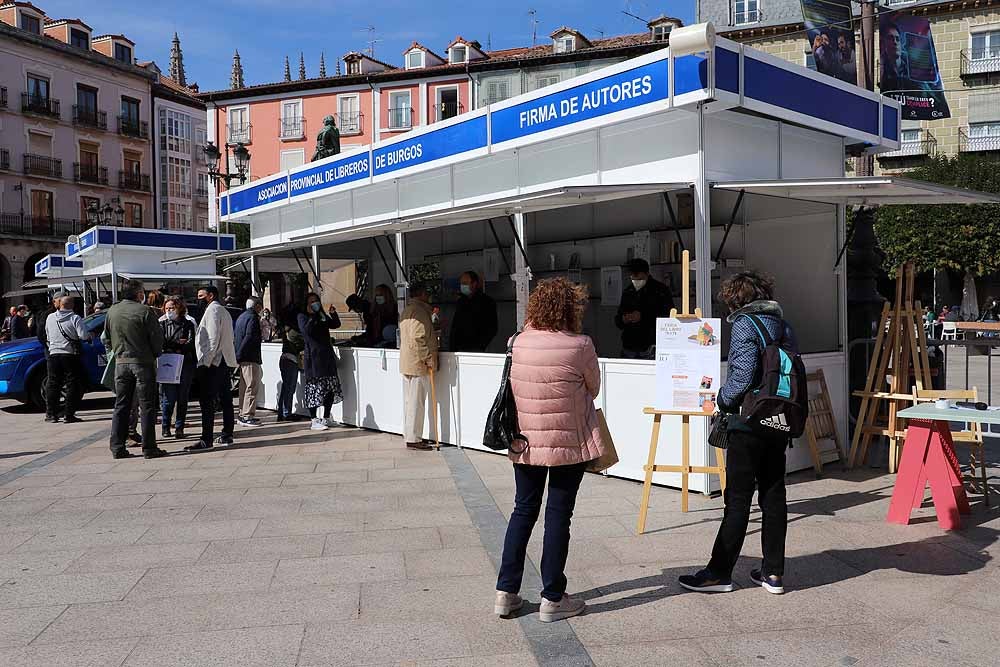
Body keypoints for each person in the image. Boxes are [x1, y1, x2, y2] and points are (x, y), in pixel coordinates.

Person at [495, 277, 606, 623]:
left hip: (524, 442)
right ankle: (552, 598)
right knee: (559, 516)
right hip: (566, 446)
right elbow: (594, 388)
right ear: (571, 309)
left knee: (523, 511)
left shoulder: (517, 342)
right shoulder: (580, 345)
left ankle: (505, 592)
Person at [679, 271, 795, 596]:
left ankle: (719, 573)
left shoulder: (747, 324)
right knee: (774, 495)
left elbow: (743, 375)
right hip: (778, 419)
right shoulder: (783, 324)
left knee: (738, 499)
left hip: (748, 422)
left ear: (736, 298)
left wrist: (722, 399)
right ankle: (773, 573)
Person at [105, 279, 167, 460]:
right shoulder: (144, 311)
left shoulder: (112, 311)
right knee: (147, 406)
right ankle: (149, 448)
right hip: (142, 362)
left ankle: (117, 446)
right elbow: (156, 339)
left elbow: (106, 337)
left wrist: (116, 353)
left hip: (121, 363)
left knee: (121, 405)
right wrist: (155, 354)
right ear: (139, 294)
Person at [191, 285, 237, 451]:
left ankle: (206, 438)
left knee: (208, 401)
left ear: (210, 296)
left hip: (214, 362)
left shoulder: (213, 311)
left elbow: (212, 338)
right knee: (225, 399)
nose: (198, 299)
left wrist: (206, 362)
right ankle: (227, 433)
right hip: (222, 360)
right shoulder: (222, 310)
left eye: (201, 295)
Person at [399, 283, 438, 450]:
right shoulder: (420, 312)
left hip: (408, 361)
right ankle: (414, 438)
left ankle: (410, 434)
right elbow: (418, 337)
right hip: (418, 363)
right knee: (416, 402)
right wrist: (428, 358)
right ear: (421, 294)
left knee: (410, 401)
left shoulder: (407, 310)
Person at [297, 292, 343, 431]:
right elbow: (306, 331)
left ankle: (326, 417)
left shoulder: (322, 315)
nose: (314, 304)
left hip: (326, 356)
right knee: (314, 389)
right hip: (314, 358)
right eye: (311, 302)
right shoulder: (302, 316)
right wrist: (312, 316)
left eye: (316, 301)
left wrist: (333, 314)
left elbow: (335, 324)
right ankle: (314, 419)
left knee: (329, 388)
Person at [44, 293, 91, 424]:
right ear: (72, 305)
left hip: (53, 354)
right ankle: (68, 414)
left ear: (60, 304)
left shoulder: (50, 317)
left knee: (53, 383)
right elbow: (83, 336)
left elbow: (47, 335)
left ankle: (51, 414)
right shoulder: (75, 318)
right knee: (73, 384)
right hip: (69, 354)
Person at [615, 258, 674, 359]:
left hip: (651, 346)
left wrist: (643, 316)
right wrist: (624, 319)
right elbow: (618, 319)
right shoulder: (628, 291)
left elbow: (669, 317)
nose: (635, 279)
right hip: (629, 346)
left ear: (646, 273)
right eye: (632, 276)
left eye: (638, 276)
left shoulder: (660, 291)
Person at [159, 298, 196, 439]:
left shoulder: (187, 324)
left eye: (172, 308)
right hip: (168, 362)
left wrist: (178, 345)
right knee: (168, 399)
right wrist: (177, 343)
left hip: (184, 364)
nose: (169, 311)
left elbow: (190, 343)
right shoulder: (162, 324)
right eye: (167, 308)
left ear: (179, 308)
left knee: (182, 398)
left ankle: (179, 427)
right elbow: (161, 343)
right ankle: (165, 427)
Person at [449, 271, 498, 353]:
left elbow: (492, 328)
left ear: (474, 284)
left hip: (477, 349)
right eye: (461, 283)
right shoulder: (461, 302)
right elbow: (455, 327)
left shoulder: (487, 302)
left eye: (465, 283)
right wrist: (453, 348)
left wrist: (480, 346)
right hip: (459, 349)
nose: (462, 286)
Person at [235, 297, 264, 427]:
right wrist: (241, 353)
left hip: (243, 357)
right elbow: (249, 336)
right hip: (250, 356)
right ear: (256, 305)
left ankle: (242, 413)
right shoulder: (252, 318)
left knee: (244, 386)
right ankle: (247, 415)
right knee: (251, 386)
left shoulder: (242, 316)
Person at [277, 304, 305, 422]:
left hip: (285, 359)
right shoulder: (294, 331)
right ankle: (286, 412)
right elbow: (304, 340)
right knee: (289, 388)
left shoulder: (286, 328)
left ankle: (282, 412)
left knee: (286, 387)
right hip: (291, 360)